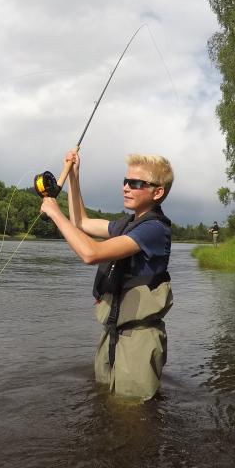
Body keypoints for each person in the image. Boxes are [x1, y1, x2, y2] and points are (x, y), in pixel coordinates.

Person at [39, 149, 174, 400]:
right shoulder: (125, 224)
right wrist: (74, 178)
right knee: (105, 403)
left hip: (139, 339)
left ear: (157, 192)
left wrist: (55, 214)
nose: (126, 187)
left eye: (135, 183)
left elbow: (90, 253)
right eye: (125, 181)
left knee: (132, 415)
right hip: (112, 333)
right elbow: (81, 223)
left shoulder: (154, 230)